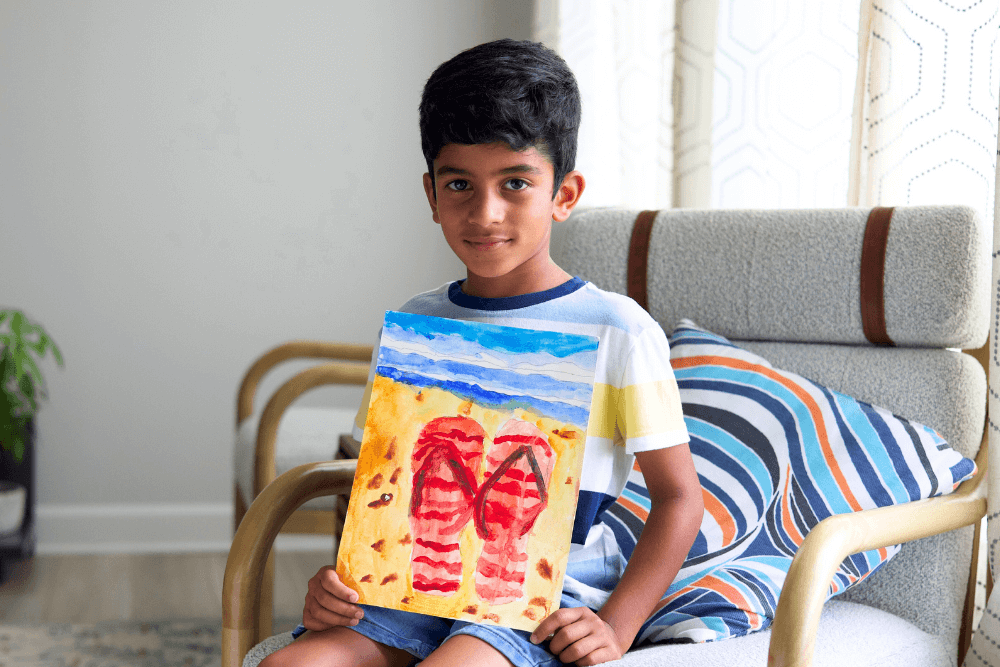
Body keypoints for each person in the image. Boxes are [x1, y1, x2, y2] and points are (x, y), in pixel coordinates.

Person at [260, 38, 704, 667]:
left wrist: (618, 625)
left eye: (516, 183)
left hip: (539, 602)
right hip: (406, 591)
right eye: (460, 183)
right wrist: (337, 583)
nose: (485, 212)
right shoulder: (417, 322)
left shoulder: (618, 330)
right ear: (430, 193)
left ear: (564, 194)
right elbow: (376, 483)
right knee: (290, 664)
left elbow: (680, 498)